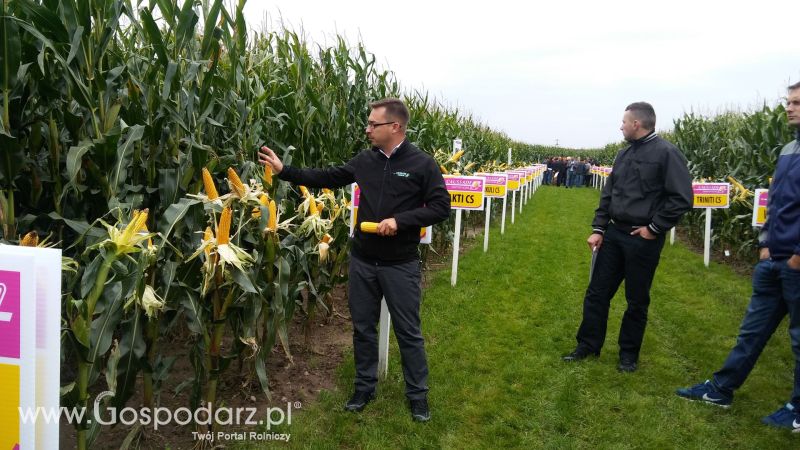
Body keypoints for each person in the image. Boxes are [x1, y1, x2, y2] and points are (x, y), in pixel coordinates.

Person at [258, 98, 450, 422]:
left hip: (400, 264)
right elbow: (329, 177)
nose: (367, 129)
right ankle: (364, 389)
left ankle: (418, 397)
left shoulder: (422, 164)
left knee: (408, 331)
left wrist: (401, 221)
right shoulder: (365, 160)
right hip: (363, 261)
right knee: (363, 329)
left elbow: (440, 206)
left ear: (395, 127)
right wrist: (284, 171)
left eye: (373, 124)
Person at [676, 82, 800, 430]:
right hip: (773, 259)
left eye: (797, 103)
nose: (789, 108)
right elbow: (777, 201)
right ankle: (721, 389)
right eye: (788, 102)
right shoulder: (790, 148)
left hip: (795, 263)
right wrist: (764, 242)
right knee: (751, 332)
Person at [562, 102, 693, 372]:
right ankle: (588, 345)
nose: (621, 126)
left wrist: (653, 228)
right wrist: (599, 228)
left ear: (637, 124)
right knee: (597, 293)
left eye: (624, 122)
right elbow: (608, 194)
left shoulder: (667, 154)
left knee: (636, 300)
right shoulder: (623, 155)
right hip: (614, 234)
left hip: (642, 239)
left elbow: (681, 198)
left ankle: (628, 355)